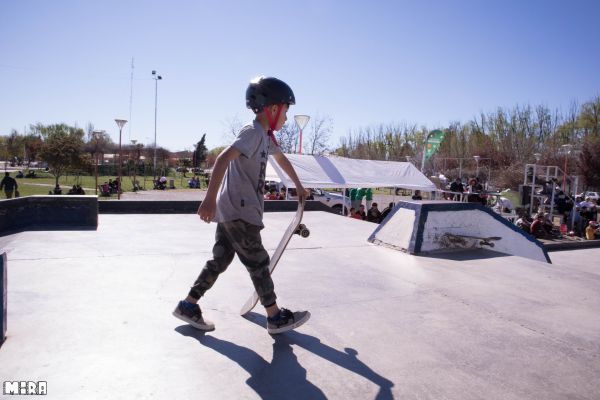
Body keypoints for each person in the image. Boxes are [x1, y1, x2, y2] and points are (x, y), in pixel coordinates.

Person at [172, 76, 310, 335]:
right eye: (286, 111)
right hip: (240, 210)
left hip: (232, 211)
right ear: (272, 108)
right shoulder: (253, 132)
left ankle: (188, 304)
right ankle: (275, 316)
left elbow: (281, 160)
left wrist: (298, 185)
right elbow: (223, 159)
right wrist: (209, 198)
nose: (286, 117)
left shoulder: (266, 138)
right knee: (259, 262)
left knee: (219, 261)